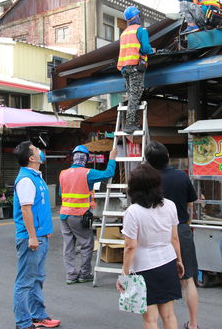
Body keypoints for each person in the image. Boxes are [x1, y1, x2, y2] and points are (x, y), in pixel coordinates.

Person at [117, 164, 184, 329]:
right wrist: (179, 261)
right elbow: (174, 238)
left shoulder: (133, 212)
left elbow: (130, 246)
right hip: (168, 262)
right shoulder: (170, 205)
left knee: (150, 319)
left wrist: (124, 274)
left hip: (144, 268)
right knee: (169, 315)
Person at [145, 141, 200, 329]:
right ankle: (193, 324)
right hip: (181, 230)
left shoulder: (147, 180)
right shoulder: (180, 176)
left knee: (157, 280)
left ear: (148, 160)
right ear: (167, 157)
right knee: (188, 279)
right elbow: (191, 203)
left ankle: (158, 322)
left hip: (153, 233)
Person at [12, 141, 60, 329]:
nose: (41, 151)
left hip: (41, 236)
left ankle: (38, 316)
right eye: (37, 150)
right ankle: (23, 323)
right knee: (25, 282)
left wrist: (44, 232)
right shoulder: (26, 179)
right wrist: (32, 236)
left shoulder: (35, 176)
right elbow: (26, 210)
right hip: (31, 238)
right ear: (32, 158)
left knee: (37, 278)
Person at [59, 145, 118, 284]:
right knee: (86, 244)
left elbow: (61, 194)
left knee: (68, 245)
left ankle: (70, 275)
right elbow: (108, 174)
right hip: (79, 214)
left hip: (64, 215)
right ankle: (84, 274)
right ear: (86, 158)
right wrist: (112, 159)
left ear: (73, 157)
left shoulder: (63, 173)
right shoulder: (87, 173)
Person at [117, 5, 154, 134]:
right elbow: (145, 48)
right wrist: (151, 51)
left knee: (131, 95)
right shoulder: (141, 30)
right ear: (136, 17)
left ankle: (133, 123)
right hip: (135, 66)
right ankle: (129, 124)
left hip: (124, 68)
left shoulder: (124, 33)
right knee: (135, 95)